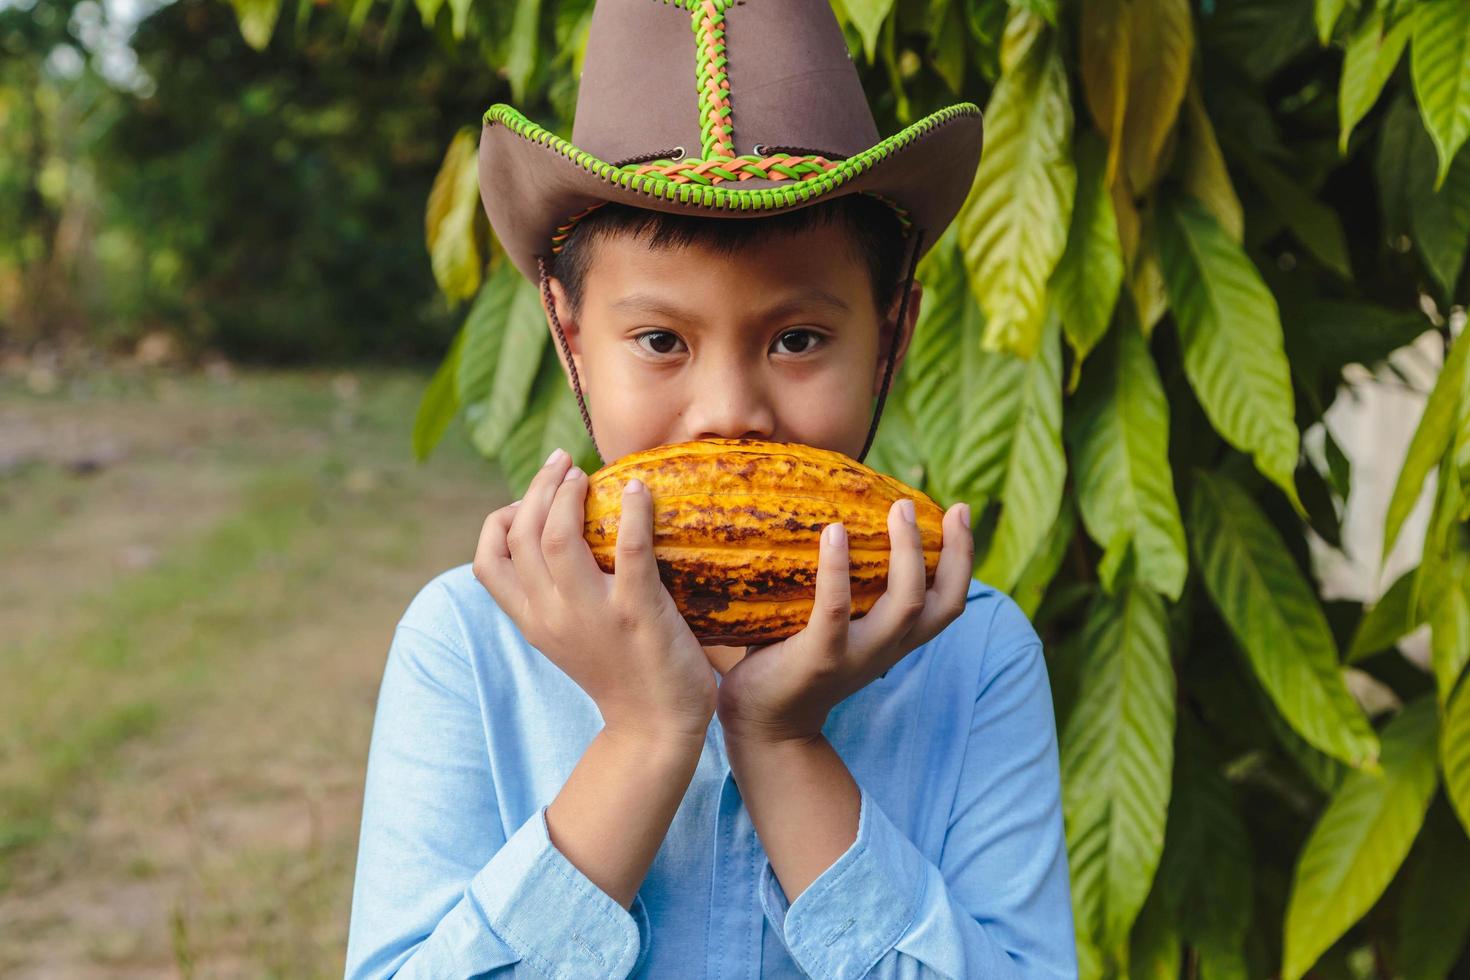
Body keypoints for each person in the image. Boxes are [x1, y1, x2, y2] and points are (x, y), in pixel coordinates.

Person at [344, 0, 1077, 975]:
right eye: (660, 342)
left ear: (893, 335)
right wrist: (646, 735)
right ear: (569, 337)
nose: (730, 410)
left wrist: (780, 742)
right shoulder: (467, 649)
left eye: (798, 339)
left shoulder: (975, 656)